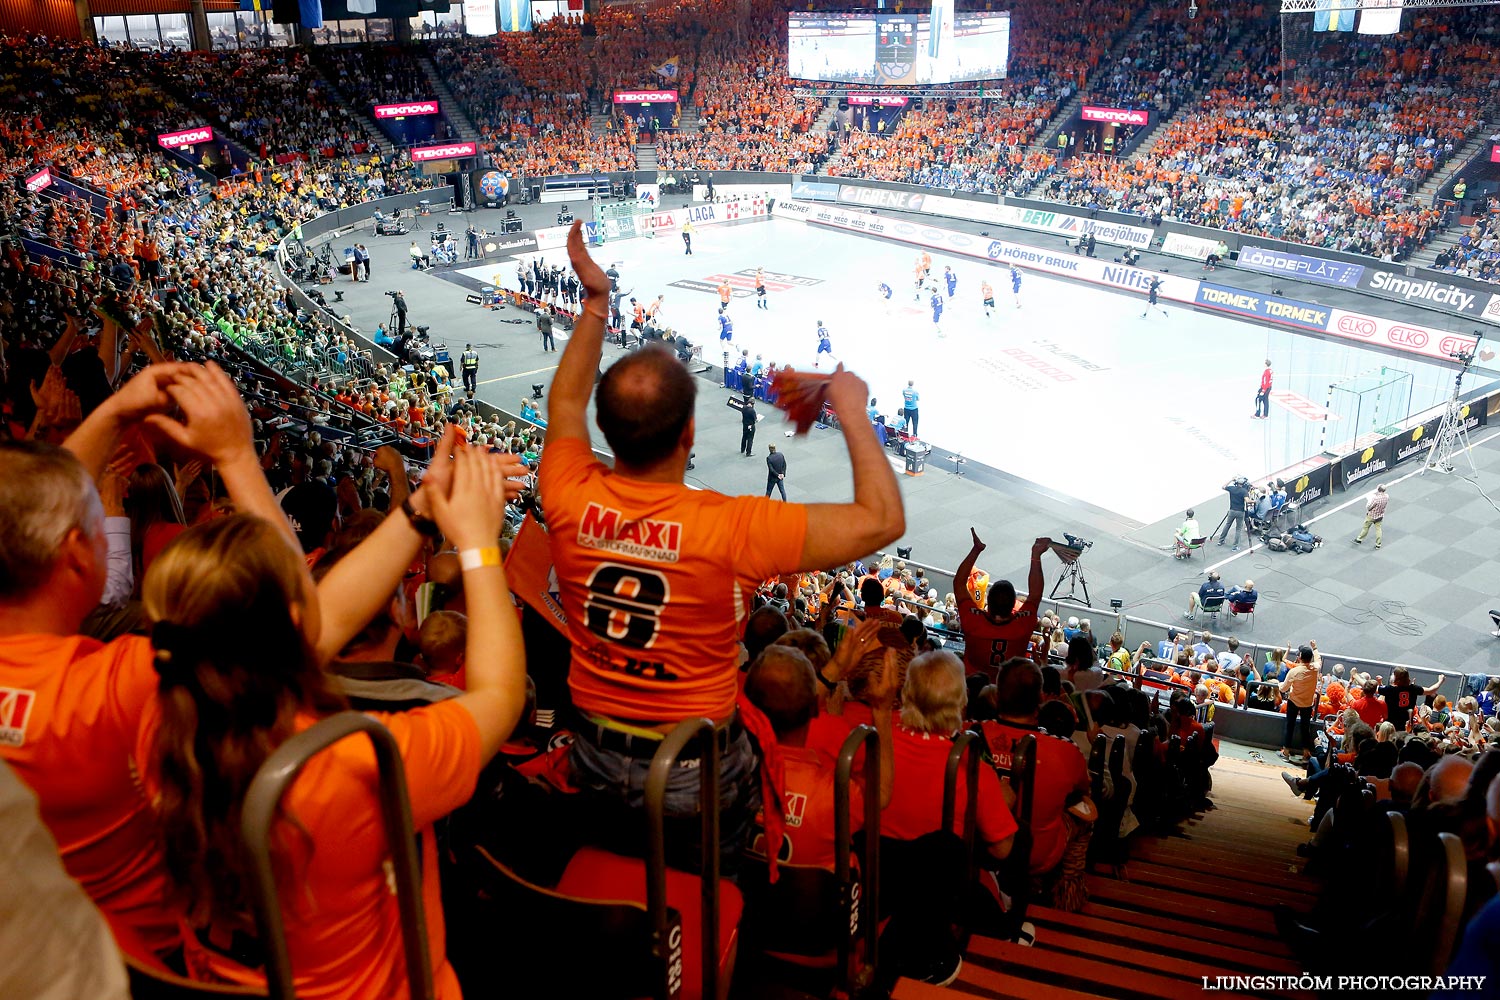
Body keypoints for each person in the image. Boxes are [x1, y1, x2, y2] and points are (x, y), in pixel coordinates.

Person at [538, 222, 904, 865]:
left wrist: (595, 303)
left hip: (592, 752)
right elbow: (880, 521)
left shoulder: (568, 493)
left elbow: (563, 401)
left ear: (608, 428)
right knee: (709, 889)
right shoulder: (730, 525)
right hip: (689, 768)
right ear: (687, 435)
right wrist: (851, 406)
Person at [136, 442, 527, 998]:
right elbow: (502, 696)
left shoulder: (162, 718)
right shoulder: (357, 764)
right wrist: (481, 546)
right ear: (296, 624)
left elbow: (328, 616)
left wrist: (420, 509)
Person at [979, 658, 1091, 878]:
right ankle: (1068, 890)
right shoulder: (1066, 752)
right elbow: (1084, 791)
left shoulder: (968, 736)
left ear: (997, 696)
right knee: (1086, 813)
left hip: (977, 844)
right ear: (1040, 699)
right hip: (1037, 857)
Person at [954, 530, 1051, 680]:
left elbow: (959, 583)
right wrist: (1036, 555)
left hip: (972, 688)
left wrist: (976, 550)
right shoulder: (1022, 625)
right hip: (1008, 691)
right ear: (1014, 604)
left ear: (988, 603)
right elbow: (1035, 595)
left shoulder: (973, 621)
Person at [1279, 645, 1319, 762]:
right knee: (1305, 728)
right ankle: (1306, 753)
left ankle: (1286, 752)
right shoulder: (1316, 668)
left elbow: (1283, 688)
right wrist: (1315, 648)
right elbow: (1318, 660)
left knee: (1289, 725)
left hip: (1293, 701)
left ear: (1300, 656)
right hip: (1307, 703)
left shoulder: (1294, 671)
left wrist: (1278, 684)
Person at [1217, 477, 1250, 550]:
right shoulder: (1244, 491)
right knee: (1238, 529)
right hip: (1240, 512)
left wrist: (1231, 479)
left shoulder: (1232, 488)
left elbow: (1223, 487)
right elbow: (1247, 501)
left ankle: (1221, 540)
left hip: (1232, 510)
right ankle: (1235, 546)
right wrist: (1254, 501)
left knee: (1227, 525)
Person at [1354, 483, 1388, 548]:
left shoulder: (1376, 498)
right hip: (1380, 516)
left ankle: (1359, 539)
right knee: (1378, 529)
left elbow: (1369, 507)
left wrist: (1369, 501)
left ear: (1378, 489)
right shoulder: (1386, 496)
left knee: (1366, 527)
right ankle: (1378, 544)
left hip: (1371, 516)